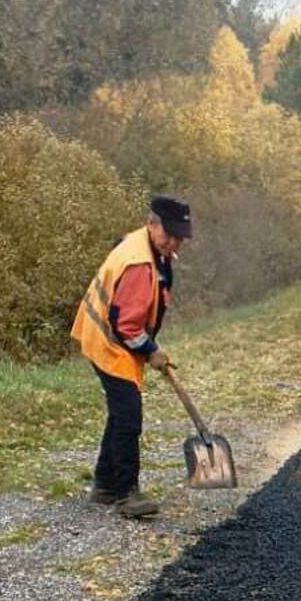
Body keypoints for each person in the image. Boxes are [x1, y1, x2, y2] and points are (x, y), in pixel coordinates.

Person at [70, 195, 192, 519]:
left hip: (113, 338)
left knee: (120, 412)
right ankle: (126, 494)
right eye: (170, 234)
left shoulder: (150, 248)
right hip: (109, 341)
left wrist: (150, 347)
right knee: (128, 416)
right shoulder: (139, 262)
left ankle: (104, 487)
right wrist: (151, 351)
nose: (175, 241)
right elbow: (126, 325)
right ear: (152, 224)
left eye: (180, 236)